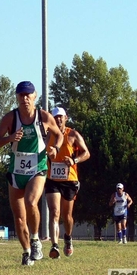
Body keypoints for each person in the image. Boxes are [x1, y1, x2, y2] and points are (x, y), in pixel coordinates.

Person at [0, 81, 63, 266]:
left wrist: (55, 147)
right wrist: (9, 138)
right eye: (21, 95)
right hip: (15, 170)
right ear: (16, 97)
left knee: (31, 201)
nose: (25, 99)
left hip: (37, 167)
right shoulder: (10, 118)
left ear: (34, 96)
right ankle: (26, 251)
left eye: (28, 95)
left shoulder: (44, 117)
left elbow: (59, 134)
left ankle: (36, 239)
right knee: (19, 217)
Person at [45, 107, 90, 259]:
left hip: (70, 180)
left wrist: (73, 160)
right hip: (52, 180)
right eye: (55, 117)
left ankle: (68, 238)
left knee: (67, 216)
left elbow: (86, 153)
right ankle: (54, 246)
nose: (58, 119)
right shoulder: (48, 135)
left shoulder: (73, 134)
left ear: (66, 118)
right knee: (54, 212)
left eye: (60, 117)